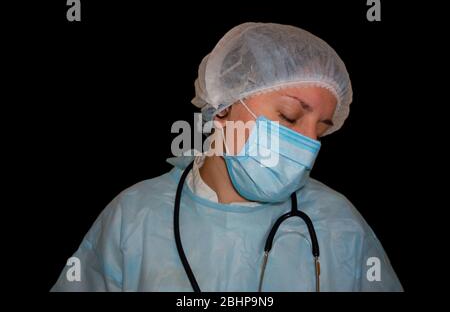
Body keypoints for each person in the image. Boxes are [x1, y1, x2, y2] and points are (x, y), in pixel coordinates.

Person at [51, 22, 403, 291]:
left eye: (321, 130)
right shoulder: (134, 217)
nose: (308, 146)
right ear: (223, 107)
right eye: (289, 117)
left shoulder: (341, 224)